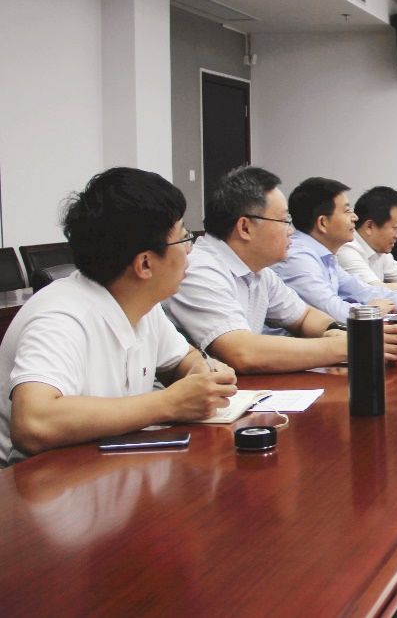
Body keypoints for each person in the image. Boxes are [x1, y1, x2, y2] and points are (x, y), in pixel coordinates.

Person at [0, 168, 238, 465]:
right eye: (183, 238)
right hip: (37, 481)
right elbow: (34, 423)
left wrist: (203, 374)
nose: (190, 250)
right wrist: (169, 403)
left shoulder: (141, 302)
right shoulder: (60, 316)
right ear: (145, 264)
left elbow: (182, 358)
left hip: (104, 468)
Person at [165, 166, 397, 373]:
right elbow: (242, 352)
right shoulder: (199, 269)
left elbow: (304, 317)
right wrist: (352, 346)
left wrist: (337, 332)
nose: (292, 231)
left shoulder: (260, 271)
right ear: (245, 228)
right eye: (284, 221)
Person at [273, 178, 397, 320]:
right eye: (347, 211)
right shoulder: (298, 257)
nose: (355, 217)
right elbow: (331, 310)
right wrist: (371, 310)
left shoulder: (325, 256)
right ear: (323, 222)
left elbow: (366, 291)